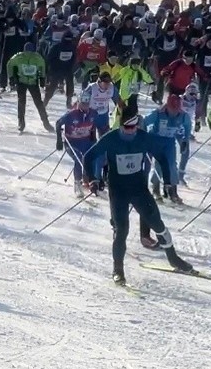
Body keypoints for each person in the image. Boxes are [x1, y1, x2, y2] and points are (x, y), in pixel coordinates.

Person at [82, 109, 194, 286]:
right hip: (118, 190)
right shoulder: (111, 139)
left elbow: (163, 157)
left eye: (133, 127)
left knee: (158, 224)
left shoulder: (143, 137)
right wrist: (92, 178)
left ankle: (173, 259)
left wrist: (167, 181)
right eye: (127, 127)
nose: (130, 131)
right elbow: (89, 157)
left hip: (139, 188)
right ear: (121, 126)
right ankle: (118, 270)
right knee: (122, 230)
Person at [55, 88, 98, 197]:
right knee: (79, 158)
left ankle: (89, 180)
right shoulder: (71, 114)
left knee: (94, 157)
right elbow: (58, 123)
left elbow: (93, 125)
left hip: (86, 141)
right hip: (72, 142)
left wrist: (93, 136)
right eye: (83, 103)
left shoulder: (93, 113)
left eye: (87, 103)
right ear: (79, 102)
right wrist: (59, 140)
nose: (85, 105)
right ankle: (77, 183)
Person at [6, 42, 54, 133]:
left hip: (33, 82)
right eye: (27, 52)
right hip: (21, 81)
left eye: (30, 52)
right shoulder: (19, 57)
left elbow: (42, 67)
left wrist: (42, 79)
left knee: (38, 103)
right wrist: (11, 77)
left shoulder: (37, 58)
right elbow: (9, 64)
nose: (29, 54)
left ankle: (45, 122)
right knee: (22, 102)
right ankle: (21, 122)